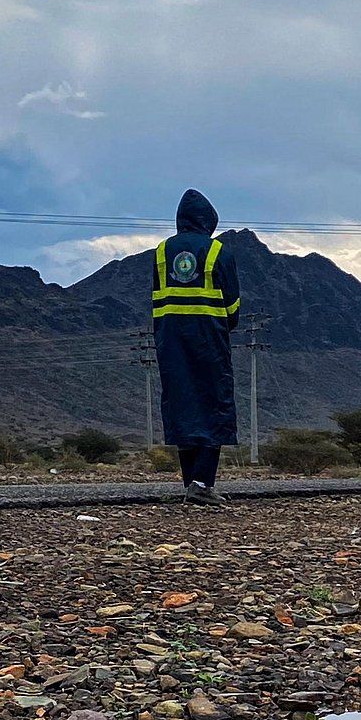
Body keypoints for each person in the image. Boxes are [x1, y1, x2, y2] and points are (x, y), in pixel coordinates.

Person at [152, 189, 241, 505]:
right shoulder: (218, 252)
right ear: (208, 221)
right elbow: (232, 309)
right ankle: (202, 484)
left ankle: (191, 482)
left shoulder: (161, 252)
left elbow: (156, 300)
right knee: (213, 405)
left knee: (183, 406)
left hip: (170, 342)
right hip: (208, 342)